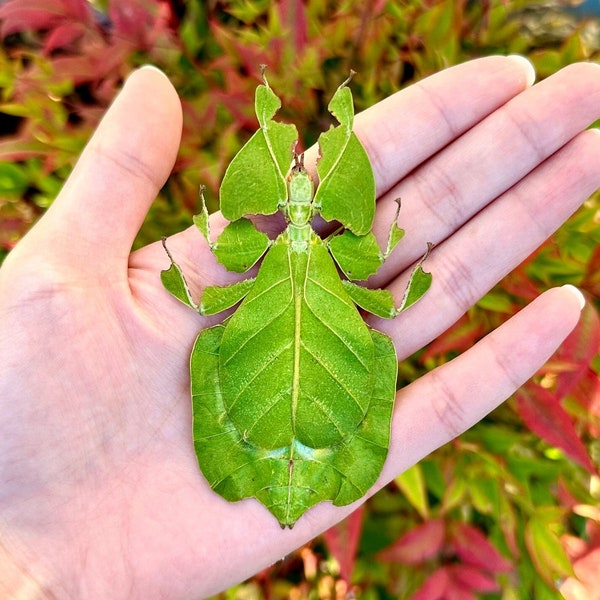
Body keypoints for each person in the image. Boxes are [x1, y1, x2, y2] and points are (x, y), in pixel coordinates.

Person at [0, 56, 598, 599]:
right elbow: (386, 294)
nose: (300, 199)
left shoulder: (247, 252)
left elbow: (205, 283)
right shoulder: (345, 256)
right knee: (376, 338)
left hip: (270, 390)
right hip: (309, 386)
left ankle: (286, 473)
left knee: (225, 338)